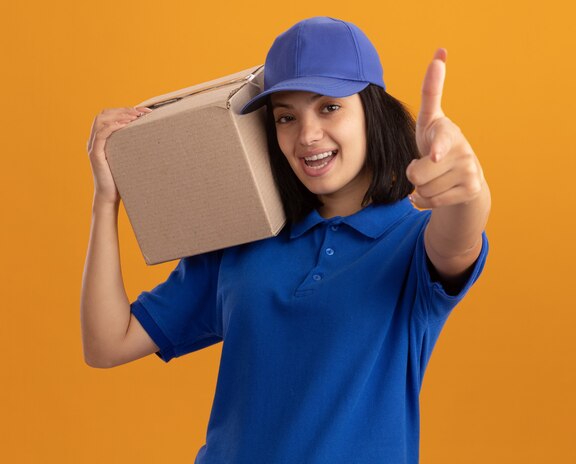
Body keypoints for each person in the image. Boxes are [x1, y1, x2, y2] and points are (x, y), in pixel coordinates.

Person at [81, 16, 490, 464]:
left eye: (329, 107)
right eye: (286, 117)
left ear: (372, 111)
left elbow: (458, 238)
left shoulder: (413, 242)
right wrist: (107, 199)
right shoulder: (244, 238)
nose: (307, 135)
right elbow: (107, 343)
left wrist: (468, 190)